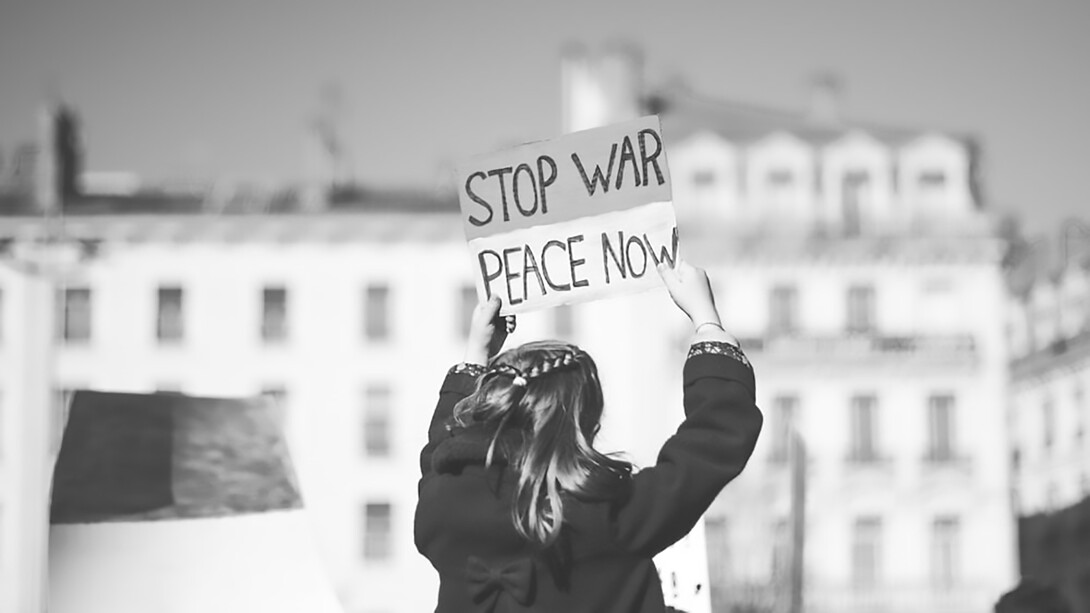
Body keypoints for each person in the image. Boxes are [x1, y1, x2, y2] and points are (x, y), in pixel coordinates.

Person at [414, 261, 763, 613]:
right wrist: (706, 319)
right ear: (584, 423)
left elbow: (442, 451)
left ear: (493, 406)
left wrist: (476, 355)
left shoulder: (441, 507)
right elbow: (714, 439)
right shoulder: (608, 513)